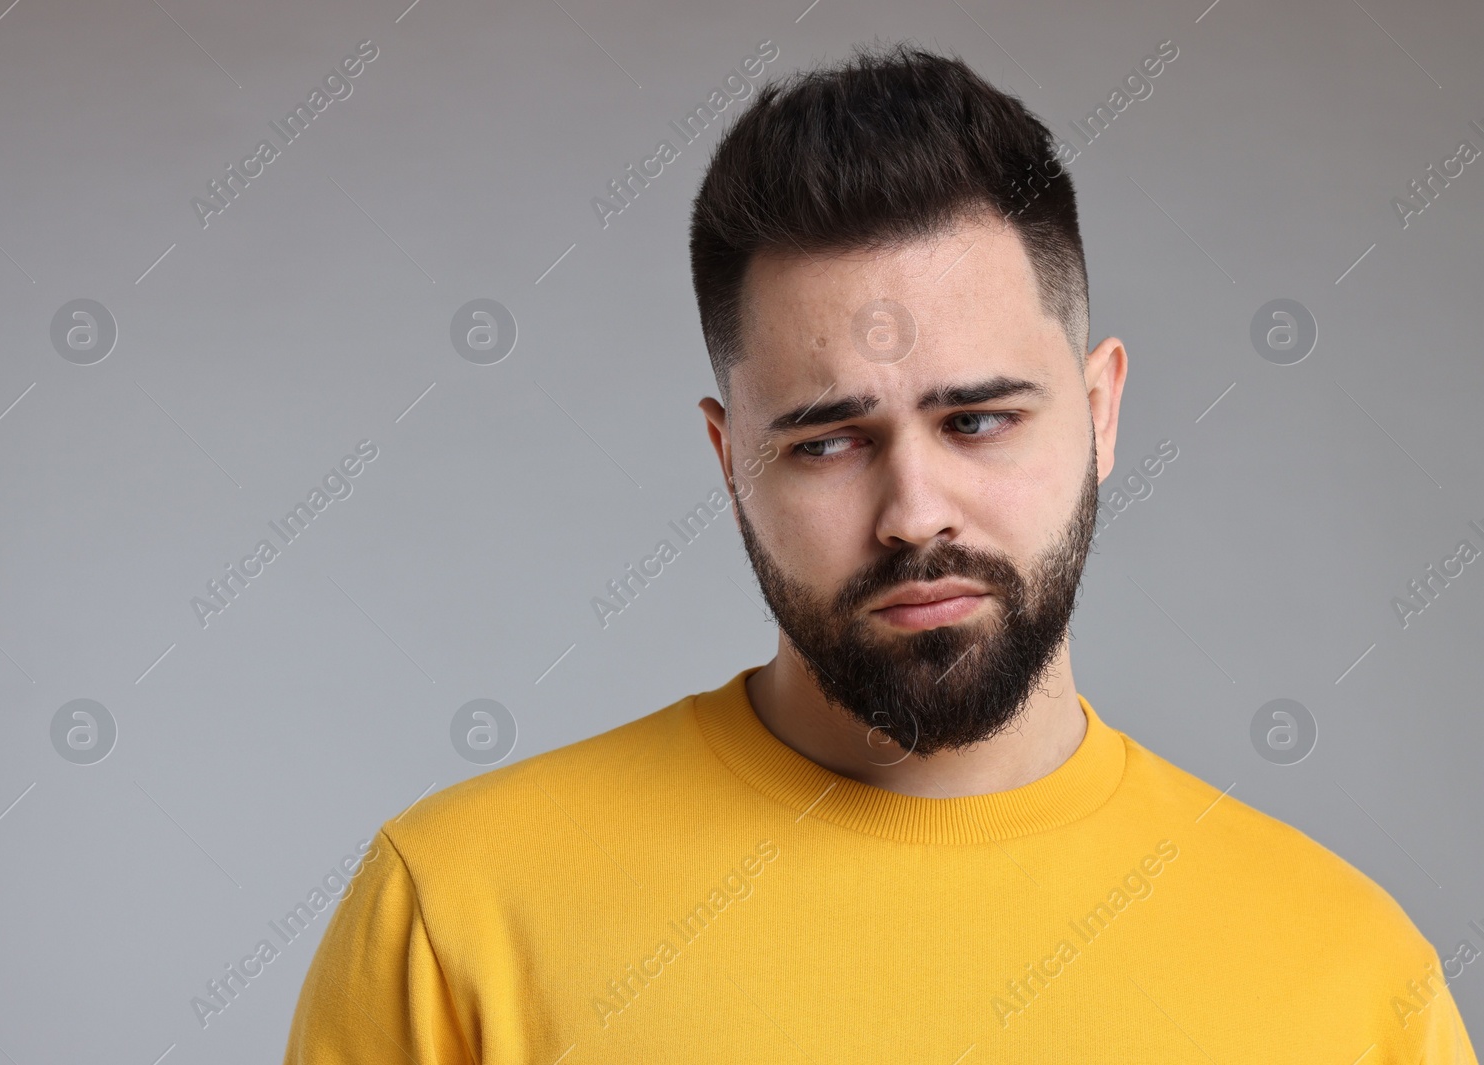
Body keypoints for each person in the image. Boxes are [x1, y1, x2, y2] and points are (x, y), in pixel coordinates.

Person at [283, 44, 1476, 1062]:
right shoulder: (456, 918)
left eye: (978, 421)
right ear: (726, 457)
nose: (914, 512)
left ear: (1101, 411)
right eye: (827, 442)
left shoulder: (1351, 984)